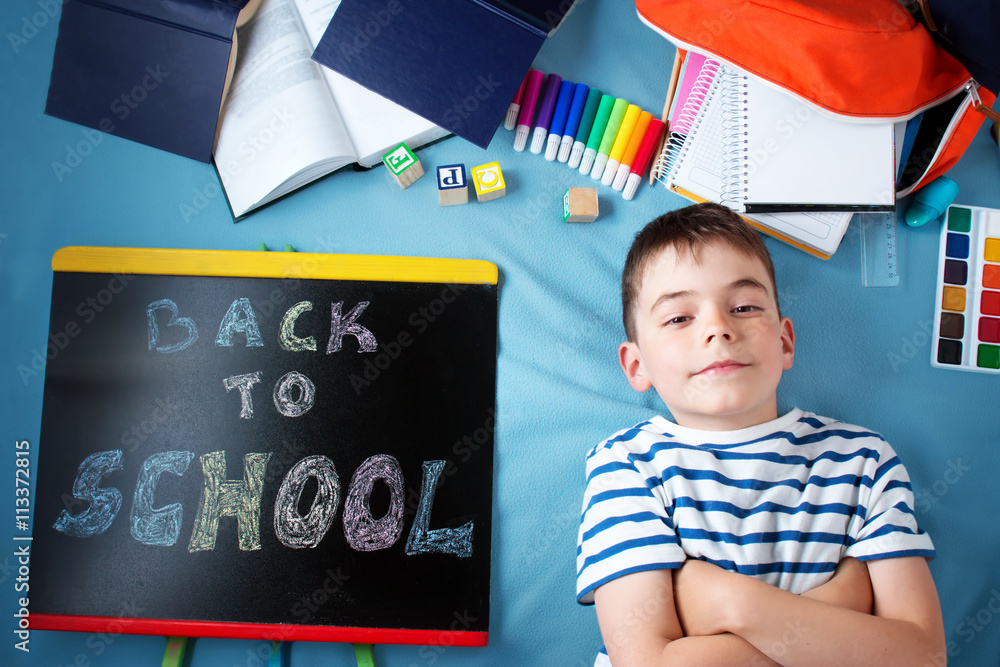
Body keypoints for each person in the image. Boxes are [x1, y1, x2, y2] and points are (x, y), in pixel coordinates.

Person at [576, 202, 944, 665]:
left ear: (786, 341)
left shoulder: (865, 461)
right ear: (637, 365)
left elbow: (922, 656)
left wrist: (731, 603)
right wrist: (842, 609)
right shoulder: (626, 465)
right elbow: (648, 660)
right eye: (678, 318)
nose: (718, 328)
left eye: (744, 307)